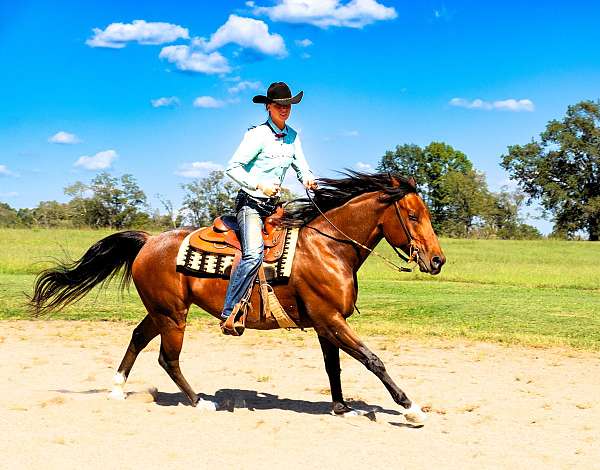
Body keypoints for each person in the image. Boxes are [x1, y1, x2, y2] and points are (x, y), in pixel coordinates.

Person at [220, 82, 317, 331]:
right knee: (253, 253)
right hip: (250, 205)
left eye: (288, 105)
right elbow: (232, 167)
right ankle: (230, 312)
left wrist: (308, 178)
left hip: (274, 209)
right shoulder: (257, 135)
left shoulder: (293, 136)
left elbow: (301, 165)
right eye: (279, 106)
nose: (284, 110)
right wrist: (259, 184)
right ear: (268, 107)